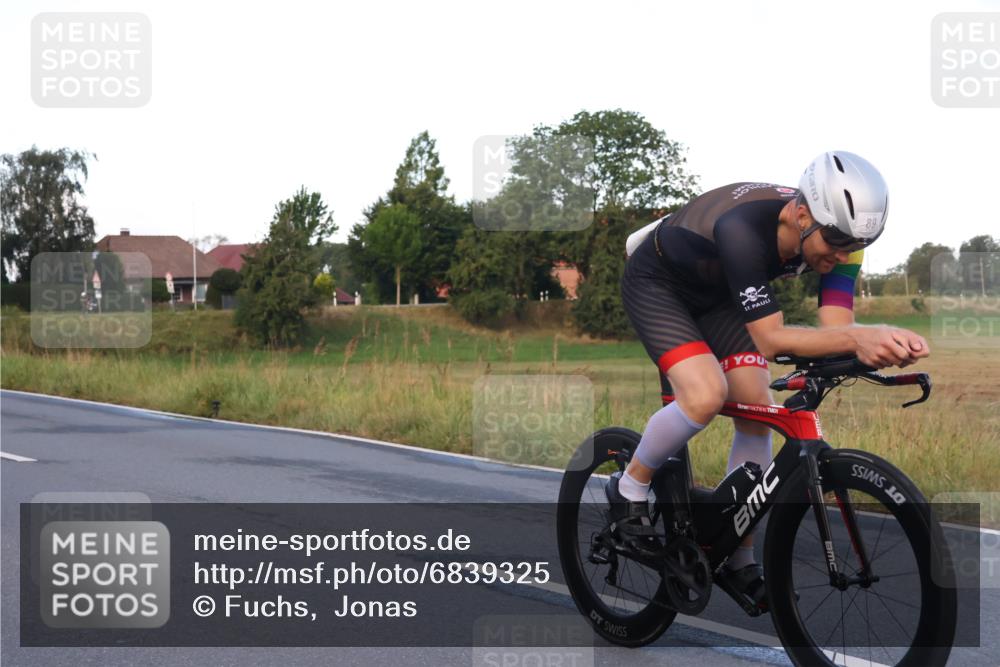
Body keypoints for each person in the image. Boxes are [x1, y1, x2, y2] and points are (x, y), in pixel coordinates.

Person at [609, 151, 929, 607]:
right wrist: (860, 340)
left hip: (719, 296)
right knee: (704, 396)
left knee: (757, 408)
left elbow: (839, 326)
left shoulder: (843, 239)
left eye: (856, 244)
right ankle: (629, 487)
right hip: (659, 285)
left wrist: (880, 345)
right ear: (801, 215)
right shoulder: (743, 228)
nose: (842, 254)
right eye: (835, 240)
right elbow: (772, 340)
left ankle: (738, 558)